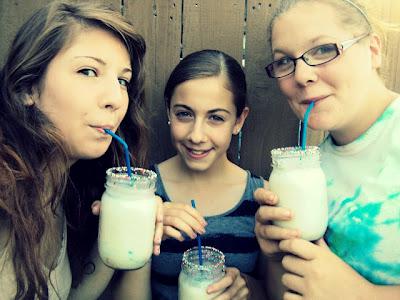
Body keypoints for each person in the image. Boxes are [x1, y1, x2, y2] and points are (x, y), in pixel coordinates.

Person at [0, 1, 162, 299]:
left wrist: (127, 230)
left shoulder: (59, 193)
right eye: (88, 71)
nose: (116, 98)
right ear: (27, 88)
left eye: (123, 80)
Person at [254, 0, 400, 299]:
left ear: (373, 51)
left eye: (322, 49)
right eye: (284, 61)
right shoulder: (309, 172)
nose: (301, 75)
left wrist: (366, 295)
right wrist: (275, 256)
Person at [150, 49, 268, 300]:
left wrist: (246, 286)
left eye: (215, 117)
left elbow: (273, 291)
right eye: (184, 113)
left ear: (238, 121)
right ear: (169, 111)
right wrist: (142, 228)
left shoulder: (261, 199)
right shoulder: (145, 193)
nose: (196, 135)